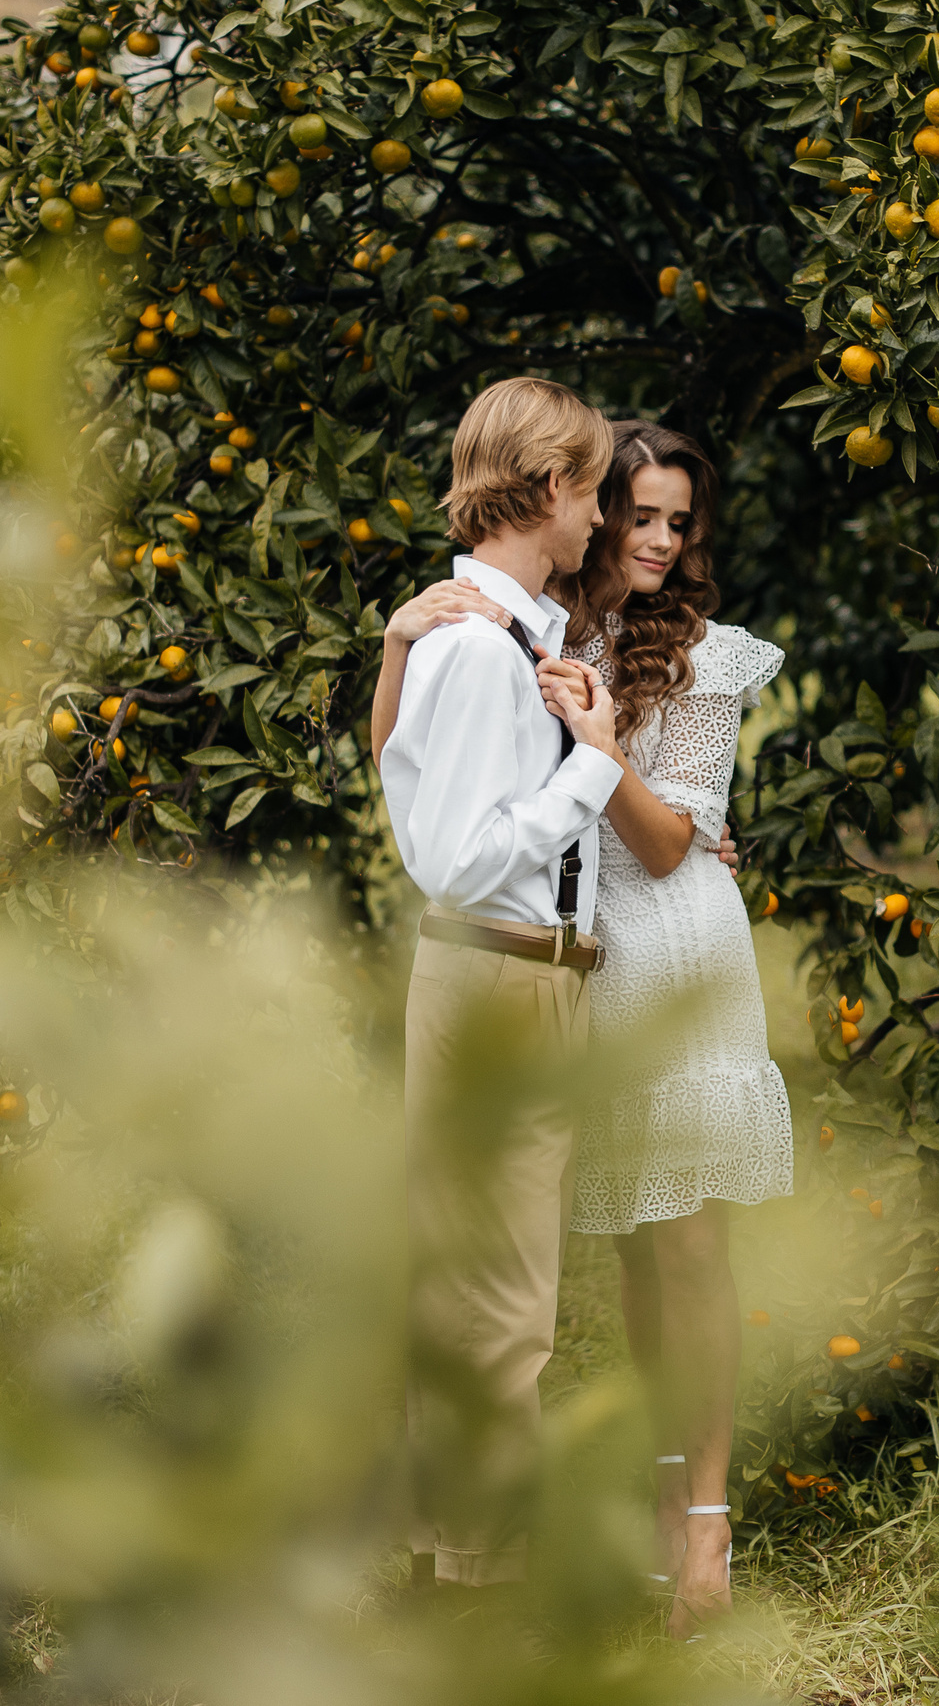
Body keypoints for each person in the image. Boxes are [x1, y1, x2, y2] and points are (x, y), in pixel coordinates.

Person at [375, 421, 793, 1639]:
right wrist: (399, 642)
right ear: (588, 506)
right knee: (604, 1255)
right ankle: (594, 1511)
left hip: (671, 947)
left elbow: (667, 845)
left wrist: (603, 750)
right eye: (639, 512)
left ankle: (702, 1520)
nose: (657, 539)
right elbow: (427, 774)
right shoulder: (534, 630)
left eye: (679, 522)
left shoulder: (697, 655)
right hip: (569, 951)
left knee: (685, 1246)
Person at [376, 376, 619, 1593]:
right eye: (594, 491)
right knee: (501, 1294)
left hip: (515, 976)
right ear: (548, 487)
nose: (602, 517)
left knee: (478, 1280)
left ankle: (450, 1559)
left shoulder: (505, 637)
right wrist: (596, 767)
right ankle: (477, 1583)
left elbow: (403, 774)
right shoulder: (479, 648)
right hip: (498, 975)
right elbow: (457, 856)